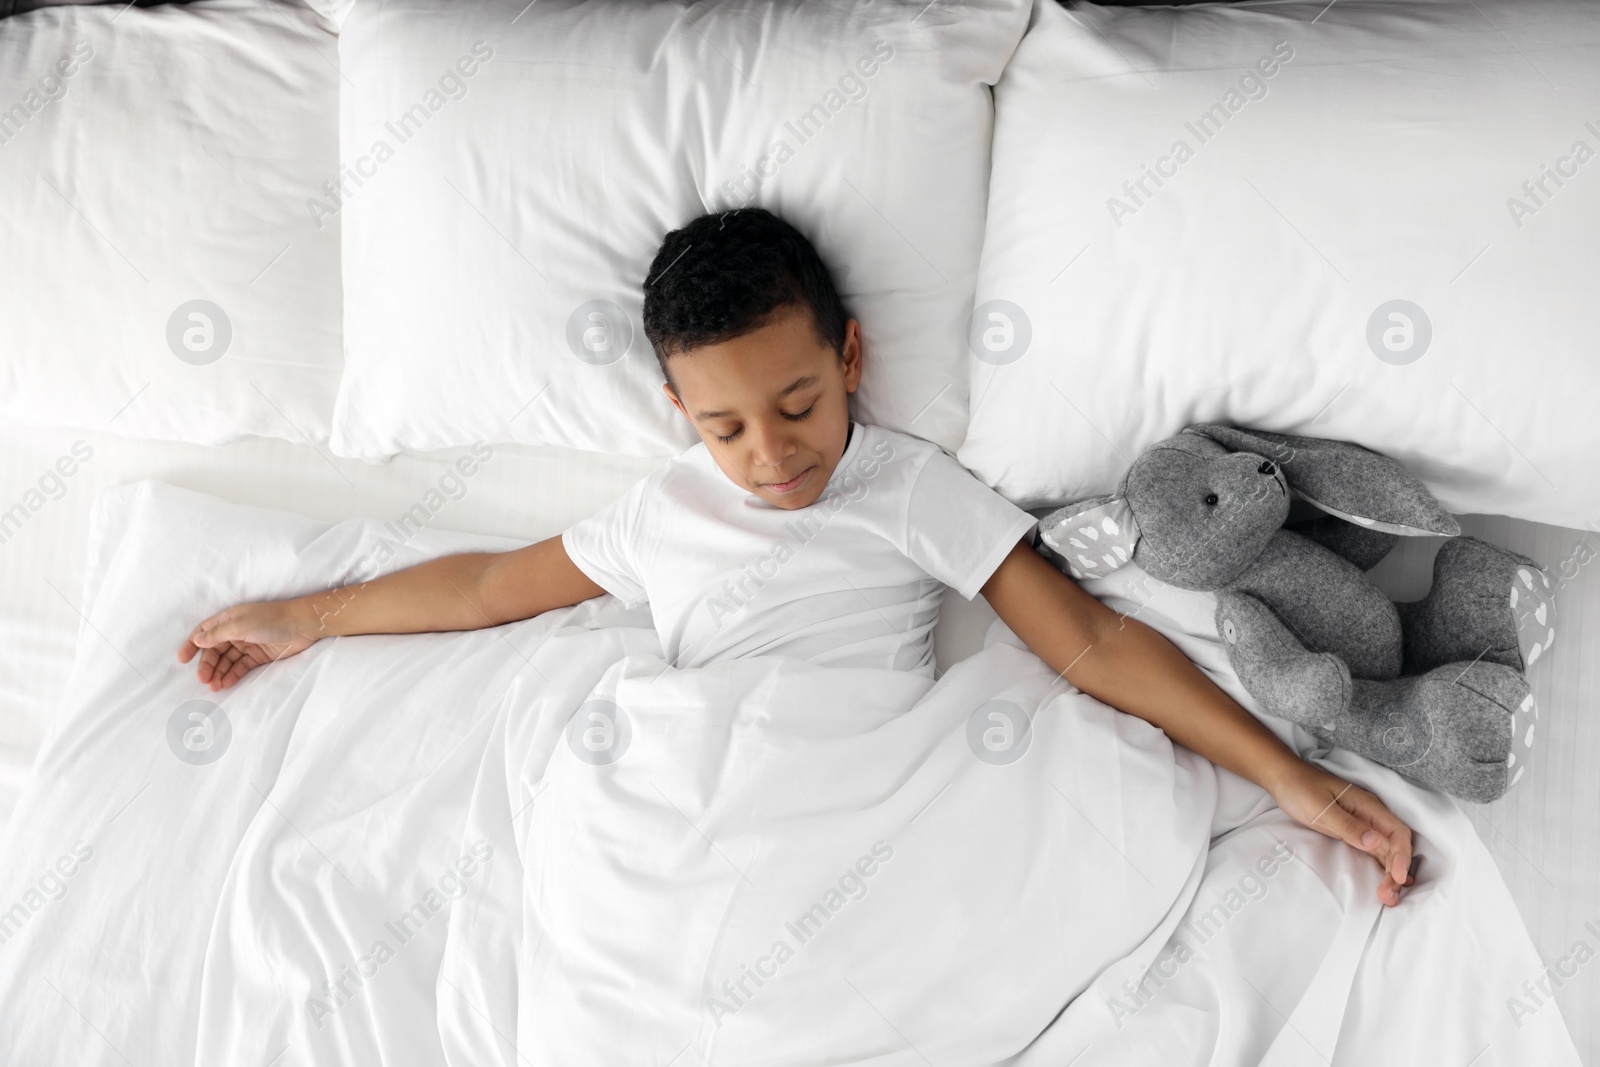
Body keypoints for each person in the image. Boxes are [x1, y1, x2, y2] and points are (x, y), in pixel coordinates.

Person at [178, 208, 1415, 906]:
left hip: (843, 773)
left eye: (799, 404)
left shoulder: (903, 483)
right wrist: (313, 613)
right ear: (675, 410)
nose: (771, 454)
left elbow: (1085, 637)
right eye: (723, 426)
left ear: (851, 362)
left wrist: (1288, 777)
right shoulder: (658, 510)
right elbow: (495, 584)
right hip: (683, 780)